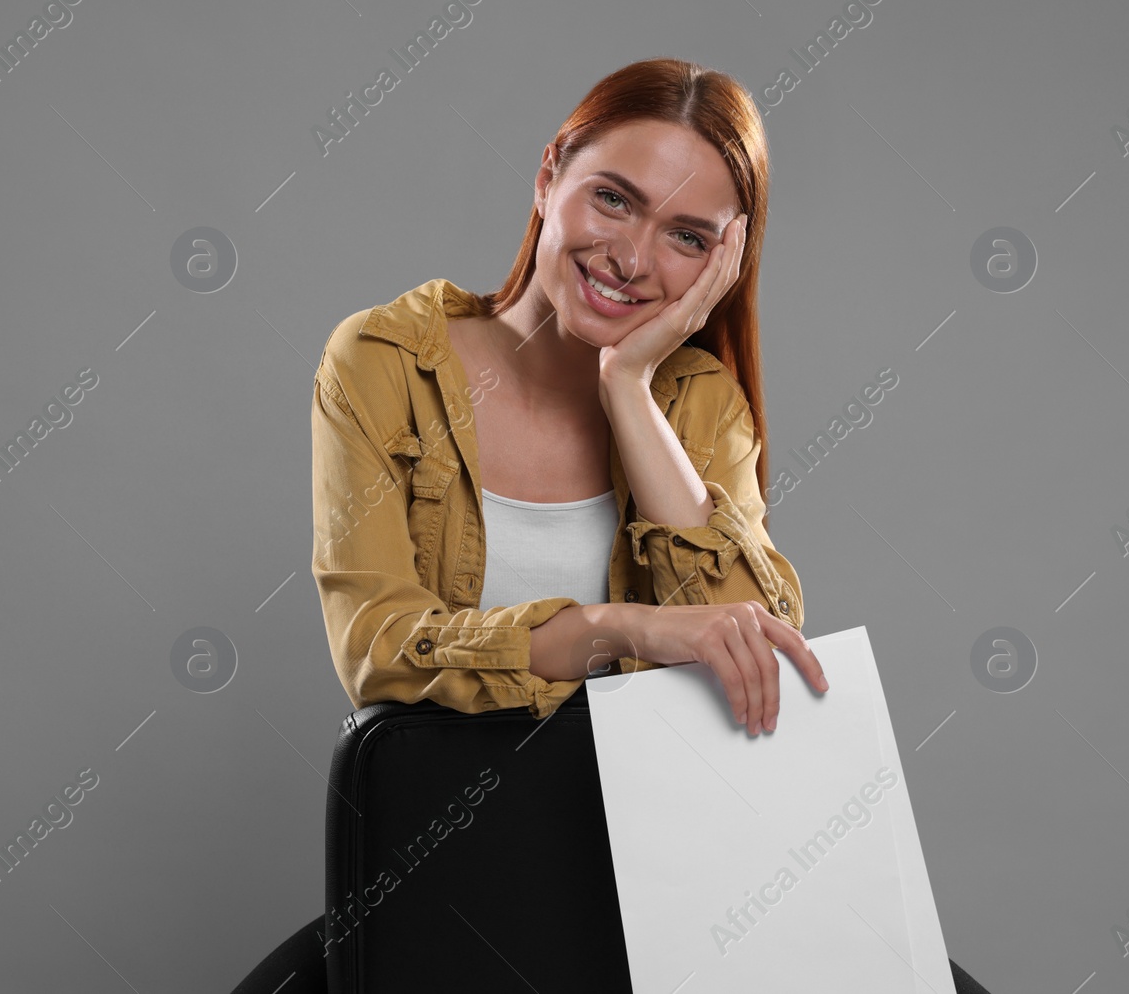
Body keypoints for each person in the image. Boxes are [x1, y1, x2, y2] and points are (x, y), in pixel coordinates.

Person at [234, 57, 964, 994]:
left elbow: (752, 644)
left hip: (689, 870)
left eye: (687, 237)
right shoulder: (384, 362)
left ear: (722, 263)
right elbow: (381, 647)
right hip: (466, 864)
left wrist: (629, 387)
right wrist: (624, 627)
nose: (632, 258)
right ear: (549, 176)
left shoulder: (700, 403)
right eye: (614, 199)